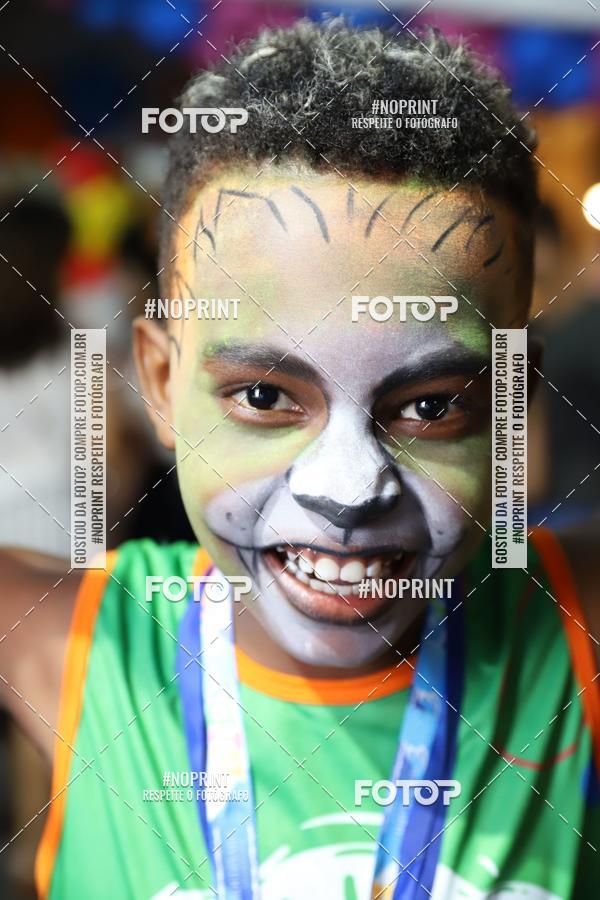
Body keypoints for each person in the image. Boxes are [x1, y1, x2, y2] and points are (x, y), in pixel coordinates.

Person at [1, 20, 598, 900]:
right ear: (162, 383)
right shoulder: (71, 642)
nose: (347, 492)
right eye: (266, 397)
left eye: (431, 406)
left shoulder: (575, 627)